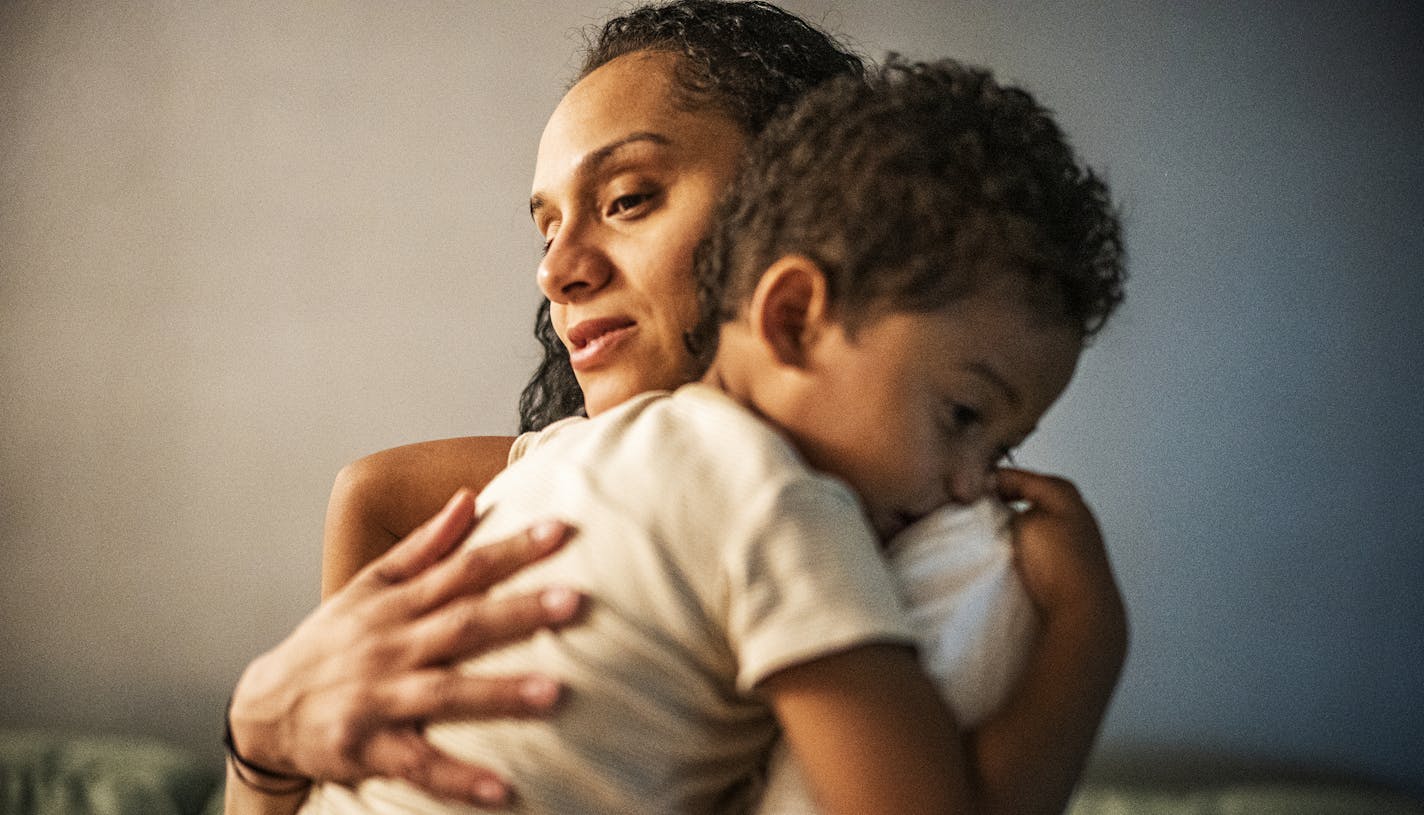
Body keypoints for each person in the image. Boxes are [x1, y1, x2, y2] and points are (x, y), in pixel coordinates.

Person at [224, 3, 1127, 814]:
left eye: (625, 201)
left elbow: (369, 487)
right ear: (789, 307)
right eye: (965, 416)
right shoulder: (776, 503)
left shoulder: (578, 463)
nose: (979, 484)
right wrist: (1090, 638)